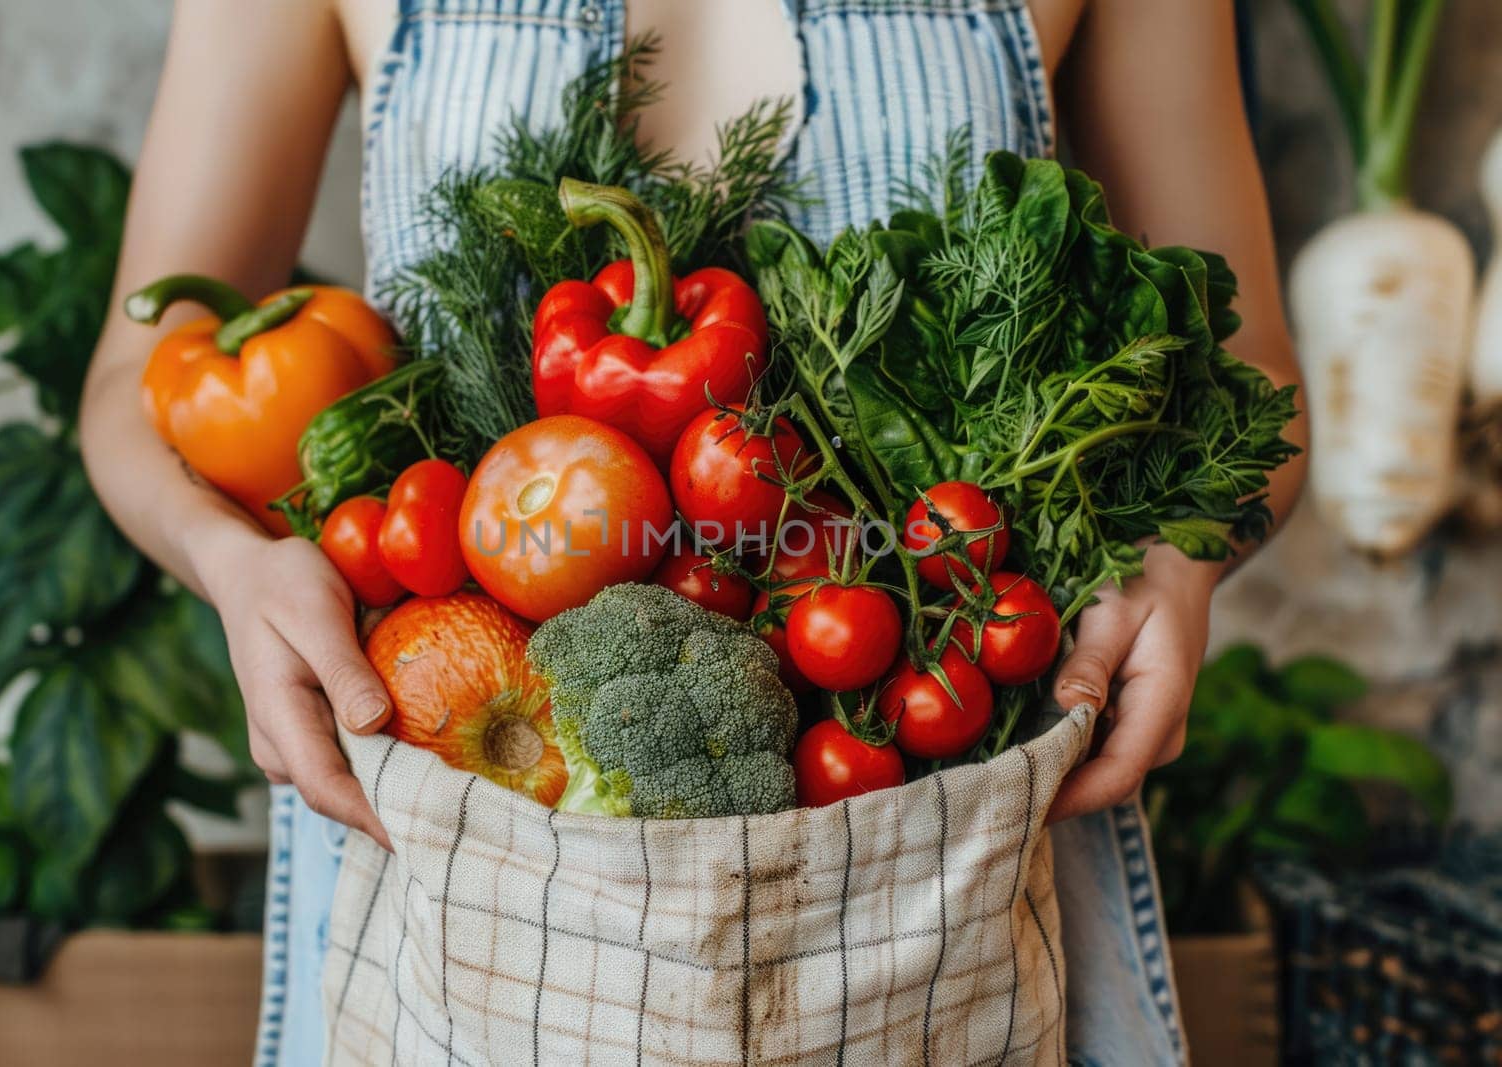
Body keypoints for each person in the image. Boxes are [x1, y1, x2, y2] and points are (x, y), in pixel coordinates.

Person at [79, 1, 1307, 1062]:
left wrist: (1174, 563)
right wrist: (237, 564)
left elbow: (1254, 384)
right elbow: (135, 386)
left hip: (961, 798)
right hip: (457, 818)